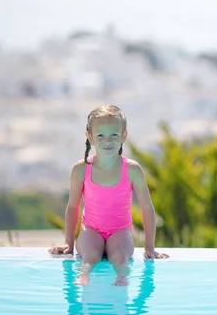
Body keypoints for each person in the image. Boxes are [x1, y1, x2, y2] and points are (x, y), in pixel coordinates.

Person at [48, 104, 168, 286]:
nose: (107, 141)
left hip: (120, 231)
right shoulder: (81, 170)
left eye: (114, 135)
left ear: (123, 135)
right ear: (90, 137)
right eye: (101, 136)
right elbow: (73, 206)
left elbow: (147, 208)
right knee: (91, 254)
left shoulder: (133, 170)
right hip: (91, 230)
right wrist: (69, 244)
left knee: (119, 254)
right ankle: (84, 275)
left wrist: (149, 247)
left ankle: (122, 277)